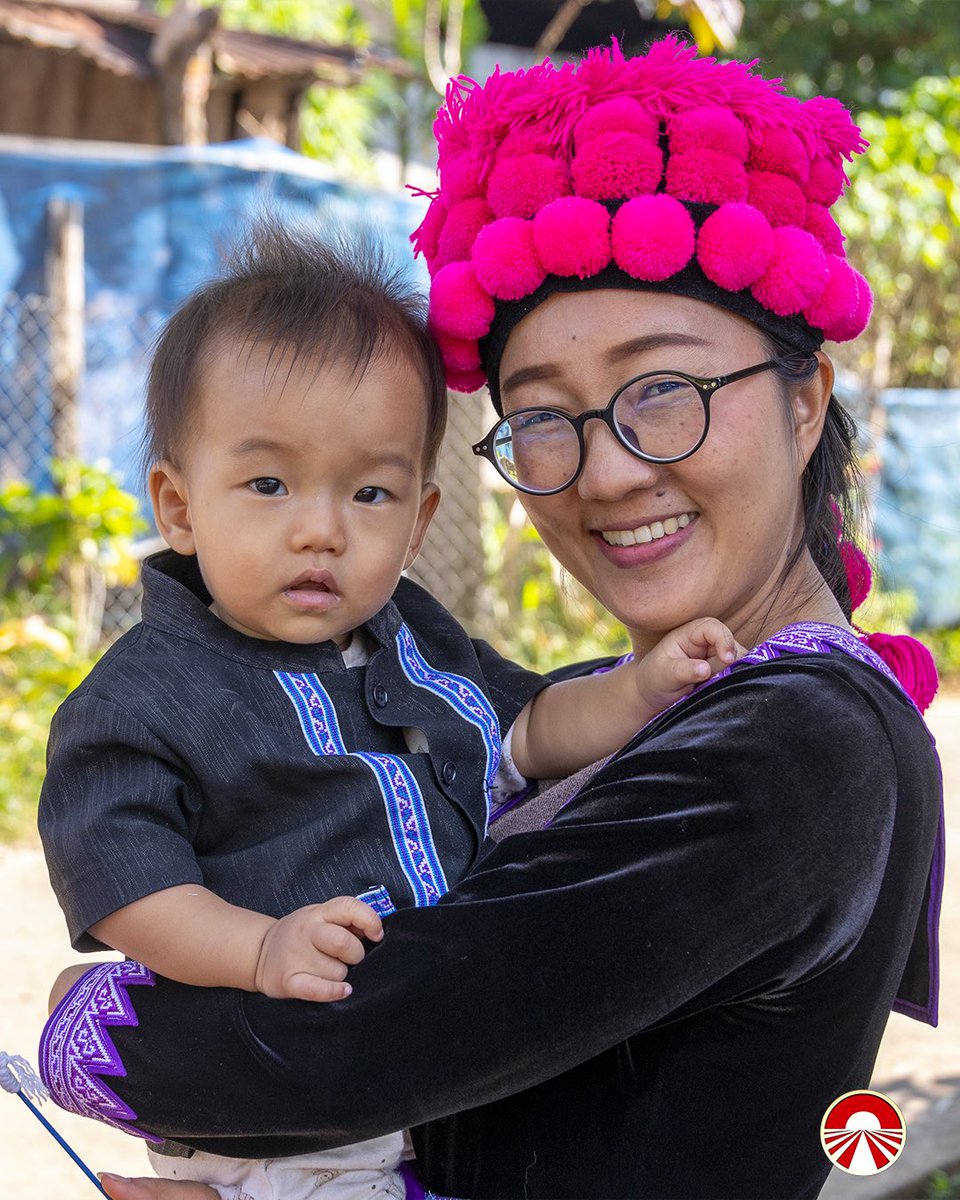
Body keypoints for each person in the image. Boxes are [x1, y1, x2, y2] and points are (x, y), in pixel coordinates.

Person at [39, 36, 943, 1200]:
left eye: (662, 390)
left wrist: (88, 1018)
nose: (607, 473)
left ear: (806, 397)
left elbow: (369, 1040)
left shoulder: (797, 748)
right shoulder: (654, 706)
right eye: (545, 419)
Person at [37, 218, 743, 1200]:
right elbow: (127, 886)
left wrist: (641, 687)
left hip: (419, 1078)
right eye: (269, 483)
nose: (320, 529)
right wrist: (259, 949)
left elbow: (528, 732)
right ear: (180, 505)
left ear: (418, 522)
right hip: (274, 1097)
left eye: (369, 492)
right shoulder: (146, 696)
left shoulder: (415, 637)